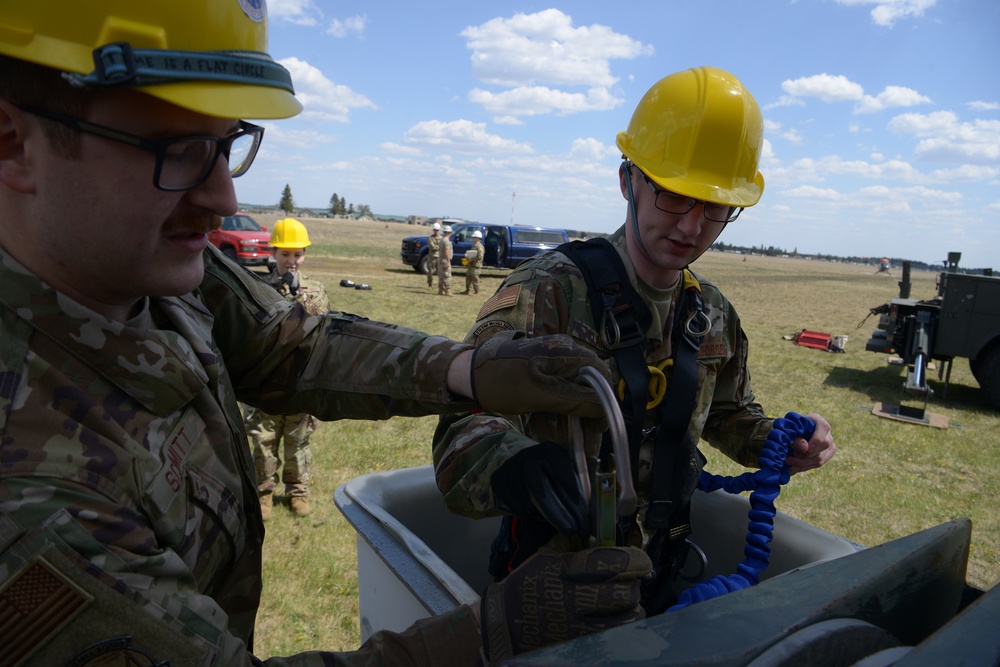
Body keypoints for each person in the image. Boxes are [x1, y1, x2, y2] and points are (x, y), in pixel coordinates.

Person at [0, 3, 613, 664]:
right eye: (176, 150)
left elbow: (284, 345)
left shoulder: (140, 267)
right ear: (14, 144)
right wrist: (491, 635)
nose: (224, 197)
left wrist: (467, 370)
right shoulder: (27, 494)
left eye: (226, 144)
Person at [432, 66, 838, 660]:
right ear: (628, 180)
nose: (692, 226)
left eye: (717, 207)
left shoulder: (713, 315)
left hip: (661, 581)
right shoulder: (546, 293)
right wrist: (518, 467)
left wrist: (779, 441)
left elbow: (727, 414)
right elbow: (460, 433)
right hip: (547, 593)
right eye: (673, 194)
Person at [248, 218, 329, 518]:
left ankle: (298, 491)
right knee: (263, 440)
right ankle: (263, 493)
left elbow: (319, 331)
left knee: (297, 442)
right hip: (265, 381)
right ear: (274, 253)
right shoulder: (257, 287)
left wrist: (299, 295)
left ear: (304, 255)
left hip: (299, 381)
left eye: (297, 255)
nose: (291, 261)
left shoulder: (315, 290)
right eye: (285, 254)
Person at [461, 229, 485, 295]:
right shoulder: (474, 246)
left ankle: (476, 291)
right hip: (471, 265)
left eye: (474, 237)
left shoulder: (479, 247)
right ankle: (467, 290)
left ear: (477, 238)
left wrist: (472, 259)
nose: (472, 238)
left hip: (476, 265)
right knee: (468, 277)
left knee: (475, 279)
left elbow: (480, 257)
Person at [438, 224, 454, 296]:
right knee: (447, 275)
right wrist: (448, 261)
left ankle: (440, 290)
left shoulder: (442, 240)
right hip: (445, 260)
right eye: (450, 233)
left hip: (440, 259)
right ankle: (448, 291)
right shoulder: (446, 241)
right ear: (448, 233)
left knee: (441, 276)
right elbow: (446, 252)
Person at [426, 221, 442, 288]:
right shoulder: (430, 238)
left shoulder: (442, 238)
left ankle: (440, 284)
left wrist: (438, 247)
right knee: (430, 271)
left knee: (440, 272)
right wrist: (439, 247)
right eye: (435, 230)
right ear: (433, 230)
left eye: (437, 230)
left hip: (439, 257)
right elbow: (432, 247)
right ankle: (430, 284)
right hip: (432, 257)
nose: (436, 231)